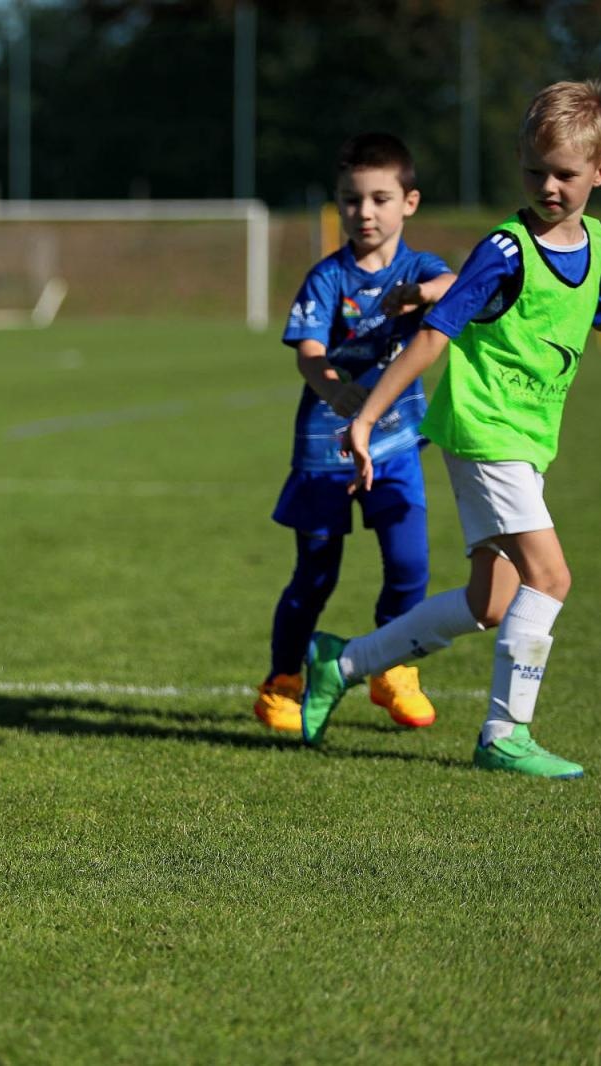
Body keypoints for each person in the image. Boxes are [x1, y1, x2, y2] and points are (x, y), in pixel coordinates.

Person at [299, 81, 601, 777]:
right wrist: (368, 417)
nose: (549, 186)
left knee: (489, 602)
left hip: (528, 440)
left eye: (565, 174)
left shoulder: (598, 240)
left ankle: (340, 661)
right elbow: (434, 334)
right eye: (535, 171)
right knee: (552, 577)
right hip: (485, 433)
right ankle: (504, 734)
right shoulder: (504, 250)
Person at [254, 133, 455, 733]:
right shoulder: (326, 277)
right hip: (325, 451)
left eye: (379, 198)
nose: (364, 212)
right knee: (316, 574)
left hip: (396, 445)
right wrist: (334, 387)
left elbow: (455, 287)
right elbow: (309, 353)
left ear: (409, 202)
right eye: (351, 200)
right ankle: (282, 682)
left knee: (410, 564)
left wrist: (417, 296)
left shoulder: (421, 270)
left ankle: (393, 671)